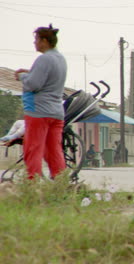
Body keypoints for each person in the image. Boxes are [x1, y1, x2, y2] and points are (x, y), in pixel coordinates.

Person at [14, 24, 67, 180]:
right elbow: (48, 79)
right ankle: (60, 183)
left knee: (33, 148)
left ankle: (32, 184)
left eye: (36, 39)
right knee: (54, 150)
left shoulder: (44, 59)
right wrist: (30, 73)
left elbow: (34, 84)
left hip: (38, 112)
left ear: (44, 40)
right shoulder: (60, 59)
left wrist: (22, 77)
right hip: (56, 112)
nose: (34, 43)